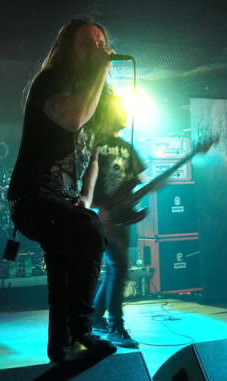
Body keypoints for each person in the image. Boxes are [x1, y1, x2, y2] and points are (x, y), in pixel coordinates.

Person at [7, 18, 117, 363]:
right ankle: (83, 329)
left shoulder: (101, 97)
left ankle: (62, 351)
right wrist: (101, 71)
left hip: (66, 200)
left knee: (64, 273)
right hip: (33, 197)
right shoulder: (50, 82)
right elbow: (73, 119)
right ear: (68, 48)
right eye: (88, 43)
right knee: (90, 229)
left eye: (101, 43)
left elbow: (93, 155)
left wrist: (86, 195)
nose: (98, 49)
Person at [91, 95, 144, 348]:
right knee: (119, 266)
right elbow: (85, 179)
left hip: (121, 217)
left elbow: (139, 178)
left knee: (115, 268)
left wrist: (158, 180)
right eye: (120, 110)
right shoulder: (95, 142)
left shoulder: (127, 146)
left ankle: (95, 318)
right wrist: (97, 208)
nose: (125, 114)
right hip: (101, 216)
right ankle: (115, 327)